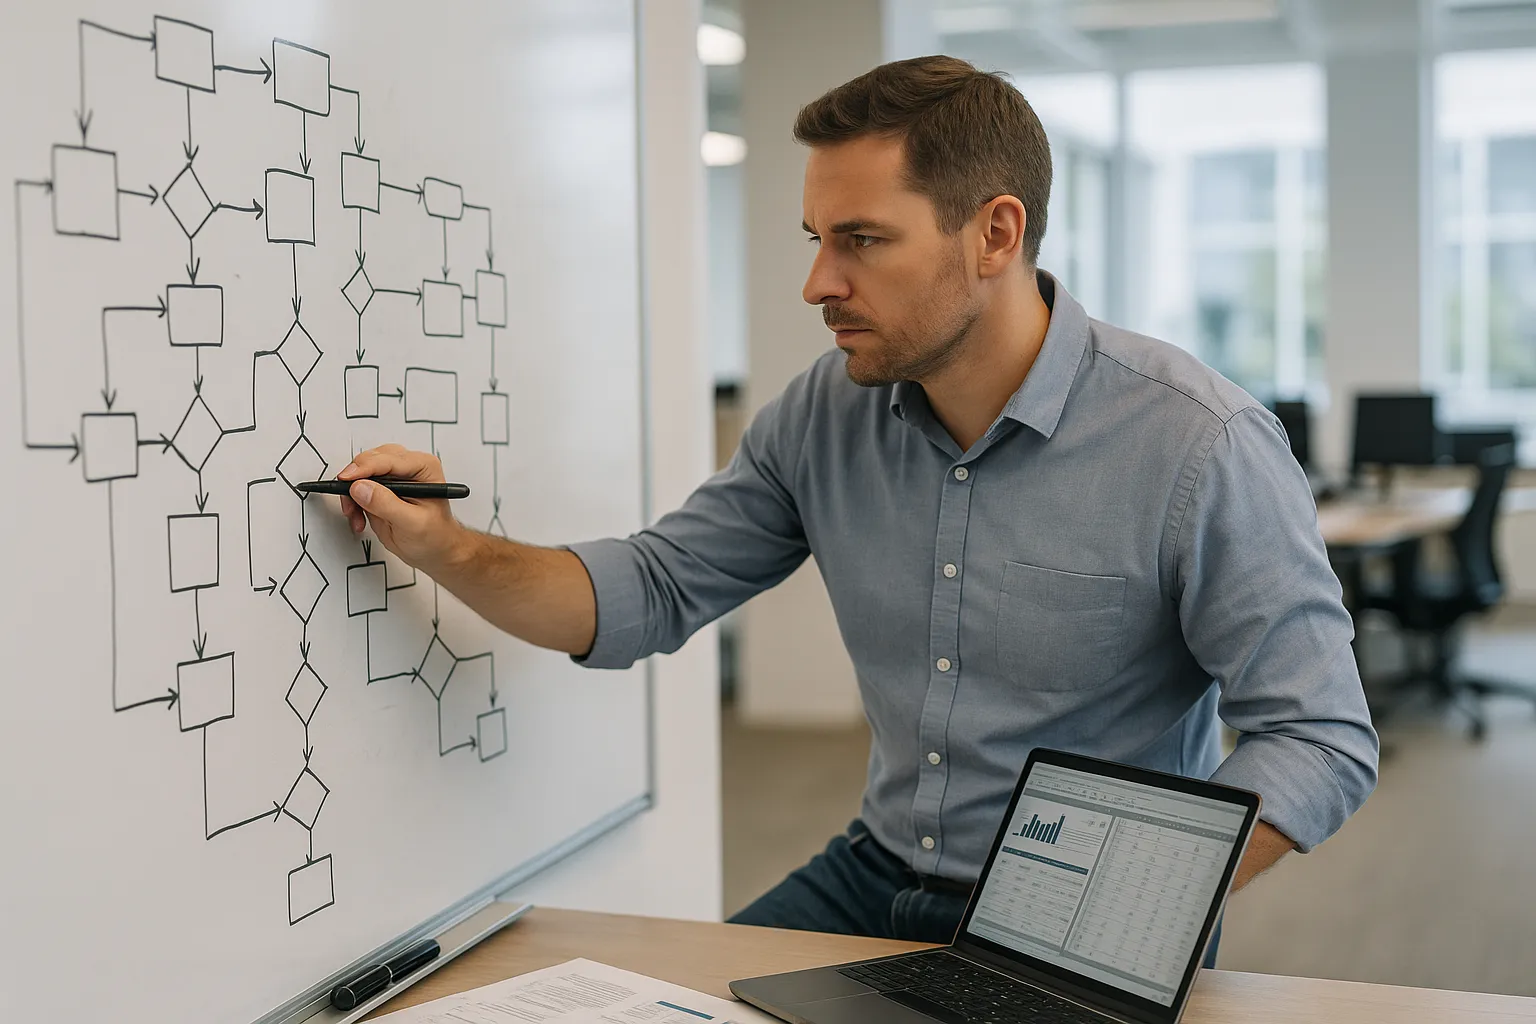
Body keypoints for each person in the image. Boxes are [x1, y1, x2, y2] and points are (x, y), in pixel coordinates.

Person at [333, 56, 1378, 960]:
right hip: (872, 876)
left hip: (1079, 916)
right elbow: (646, 591)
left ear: (996, 233)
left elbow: (1320, 735)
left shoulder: (1197, 442)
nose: (816, 282)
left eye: (861, 240)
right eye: (814, 238)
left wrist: (1116, 902)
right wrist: (447, 544)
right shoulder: (824, 417)